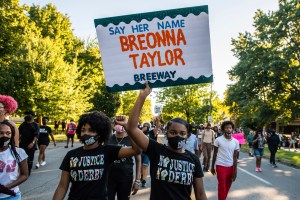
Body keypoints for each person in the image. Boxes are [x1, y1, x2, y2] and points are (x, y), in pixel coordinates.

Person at [126, 82, 207, 200]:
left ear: (187, 135)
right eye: (173, 132)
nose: (177, 136)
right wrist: (142, 96)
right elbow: (131, 128)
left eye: (182, 133)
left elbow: (200, 194)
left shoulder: (193, 160)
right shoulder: (156, 150)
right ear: (166, 133)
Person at [52, 112, 141, 200]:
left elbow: (136, 150)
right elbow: (62, 187)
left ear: (100, 133)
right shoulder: (71, 155)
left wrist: (127, 127)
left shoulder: (108, 151)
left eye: (91, 130)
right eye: (83, 130)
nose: (86, 133)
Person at [107, 124, 141, 200]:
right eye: (116, 123)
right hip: (109, 178)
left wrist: (137, 181)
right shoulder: (108, 139)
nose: (119, 126)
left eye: (121, 124)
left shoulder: (132, 139)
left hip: (126, 178)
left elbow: (138, 160)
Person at [211, 121, 239, 200]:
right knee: (222, 187)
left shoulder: (236, 142)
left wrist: (235, 171)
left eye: (230, 128)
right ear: (223, 129)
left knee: (227, 187)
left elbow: (235, 157)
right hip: (220, 166)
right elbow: (214, 154)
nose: (229, 129)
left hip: (231, 167)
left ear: (232, 129)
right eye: (227, 128)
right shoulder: (218, 140)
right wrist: (212, 167)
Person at [0, 120, 28, 199]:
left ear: (12, 135)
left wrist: (6, 188)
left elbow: (25, 175)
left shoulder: (19, 152)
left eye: (8, 133)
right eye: (1, 133)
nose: (4, 136)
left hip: (12, 196)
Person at [19, 111, 39, 175]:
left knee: (30, 159)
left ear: (32, 116)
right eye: (26, 114)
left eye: (28, 115)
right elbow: (19, 134)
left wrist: (32, 143)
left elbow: (36, 135)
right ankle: (22, 171)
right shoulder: (23, 124)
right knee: (21, 158)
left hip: (31, 145)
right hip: (22, 144)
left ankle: (28, 172)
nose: (27, 116)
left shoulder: (35, 125)